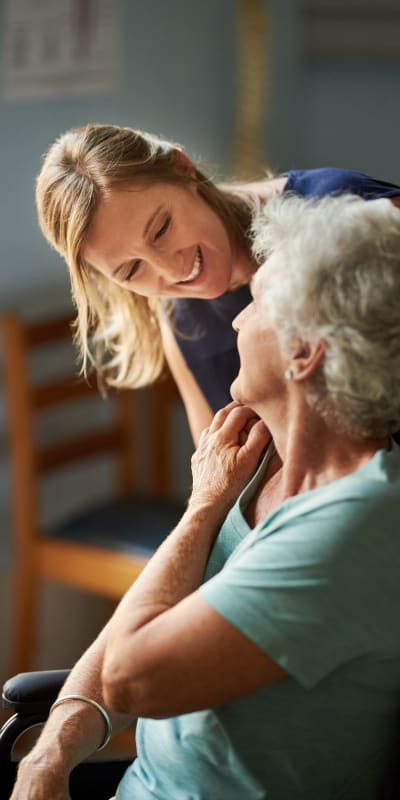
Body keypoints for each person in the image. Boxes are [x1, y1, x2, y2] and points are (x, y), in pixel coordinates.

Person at [11, 193, 400, 799]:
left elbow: (131, 678)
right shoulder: (249, 459)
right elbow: (139, 630)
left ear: (305, 353)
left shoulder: (354, 527)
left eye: (259, 304)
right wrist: (49, 756)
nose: (237, 319)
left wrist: (200, 508)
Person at [35, 123, 400, 444]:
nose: (170, 269)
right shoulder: (182, 325)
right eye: (131, 271)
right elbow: (217, 477)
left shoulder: (345, 209)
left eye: (161, 229)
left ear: (184, 169)